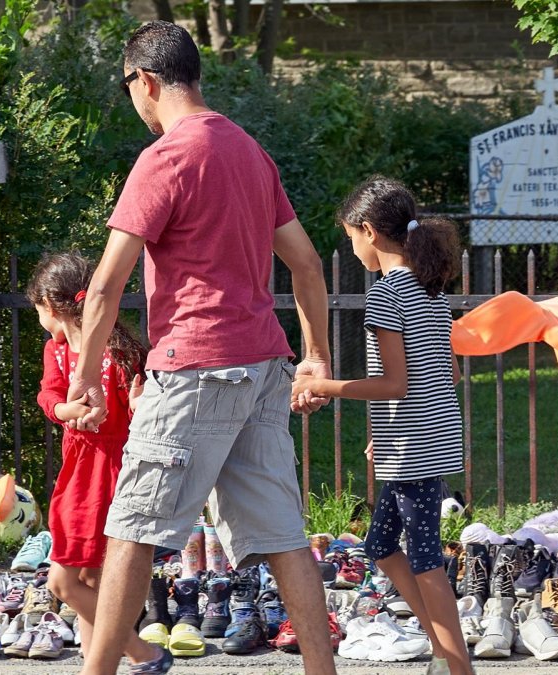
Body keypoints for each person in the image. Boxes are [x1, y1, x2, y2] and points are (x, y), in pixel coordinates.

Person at [67, 20, 335, 675]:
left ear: (147, 81)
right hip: (263, 369)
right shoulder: (247, 149)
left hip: (192, 370)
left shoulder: (165, 158)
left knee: (132, 527)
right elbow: (305, 263)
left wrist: (86, 378)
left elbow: (104, 286)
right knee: (283, 536)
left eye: (129, 86)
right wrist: (317, 354)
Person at [292, 176, 473, 675]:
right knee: (379, 546)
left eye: (350, 236)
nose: (352, 248)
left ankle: (458, 666)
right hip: (424, 438)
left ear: (368, 231)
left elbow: (393, 383)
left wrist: (324, 387)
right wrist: (383, 433)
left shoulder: (386, 295)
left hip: (415, 447)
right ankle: (443, 651)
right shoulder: (428, 289)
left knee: (425, 557)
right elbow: (442, 371)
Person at [27, 252, 157, 661]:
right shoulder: (57, 351)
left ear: (50, 306)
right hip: (78, 467)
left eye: (37, 312)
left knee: (65, 582)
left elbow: (139, 410)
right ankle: (99, 662)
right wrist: (65, 411)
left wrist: (137, 407)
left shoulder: (120, 350)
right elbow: (48, 394)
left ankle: (140, 652)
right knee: (87, 577)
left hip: (112, 470)